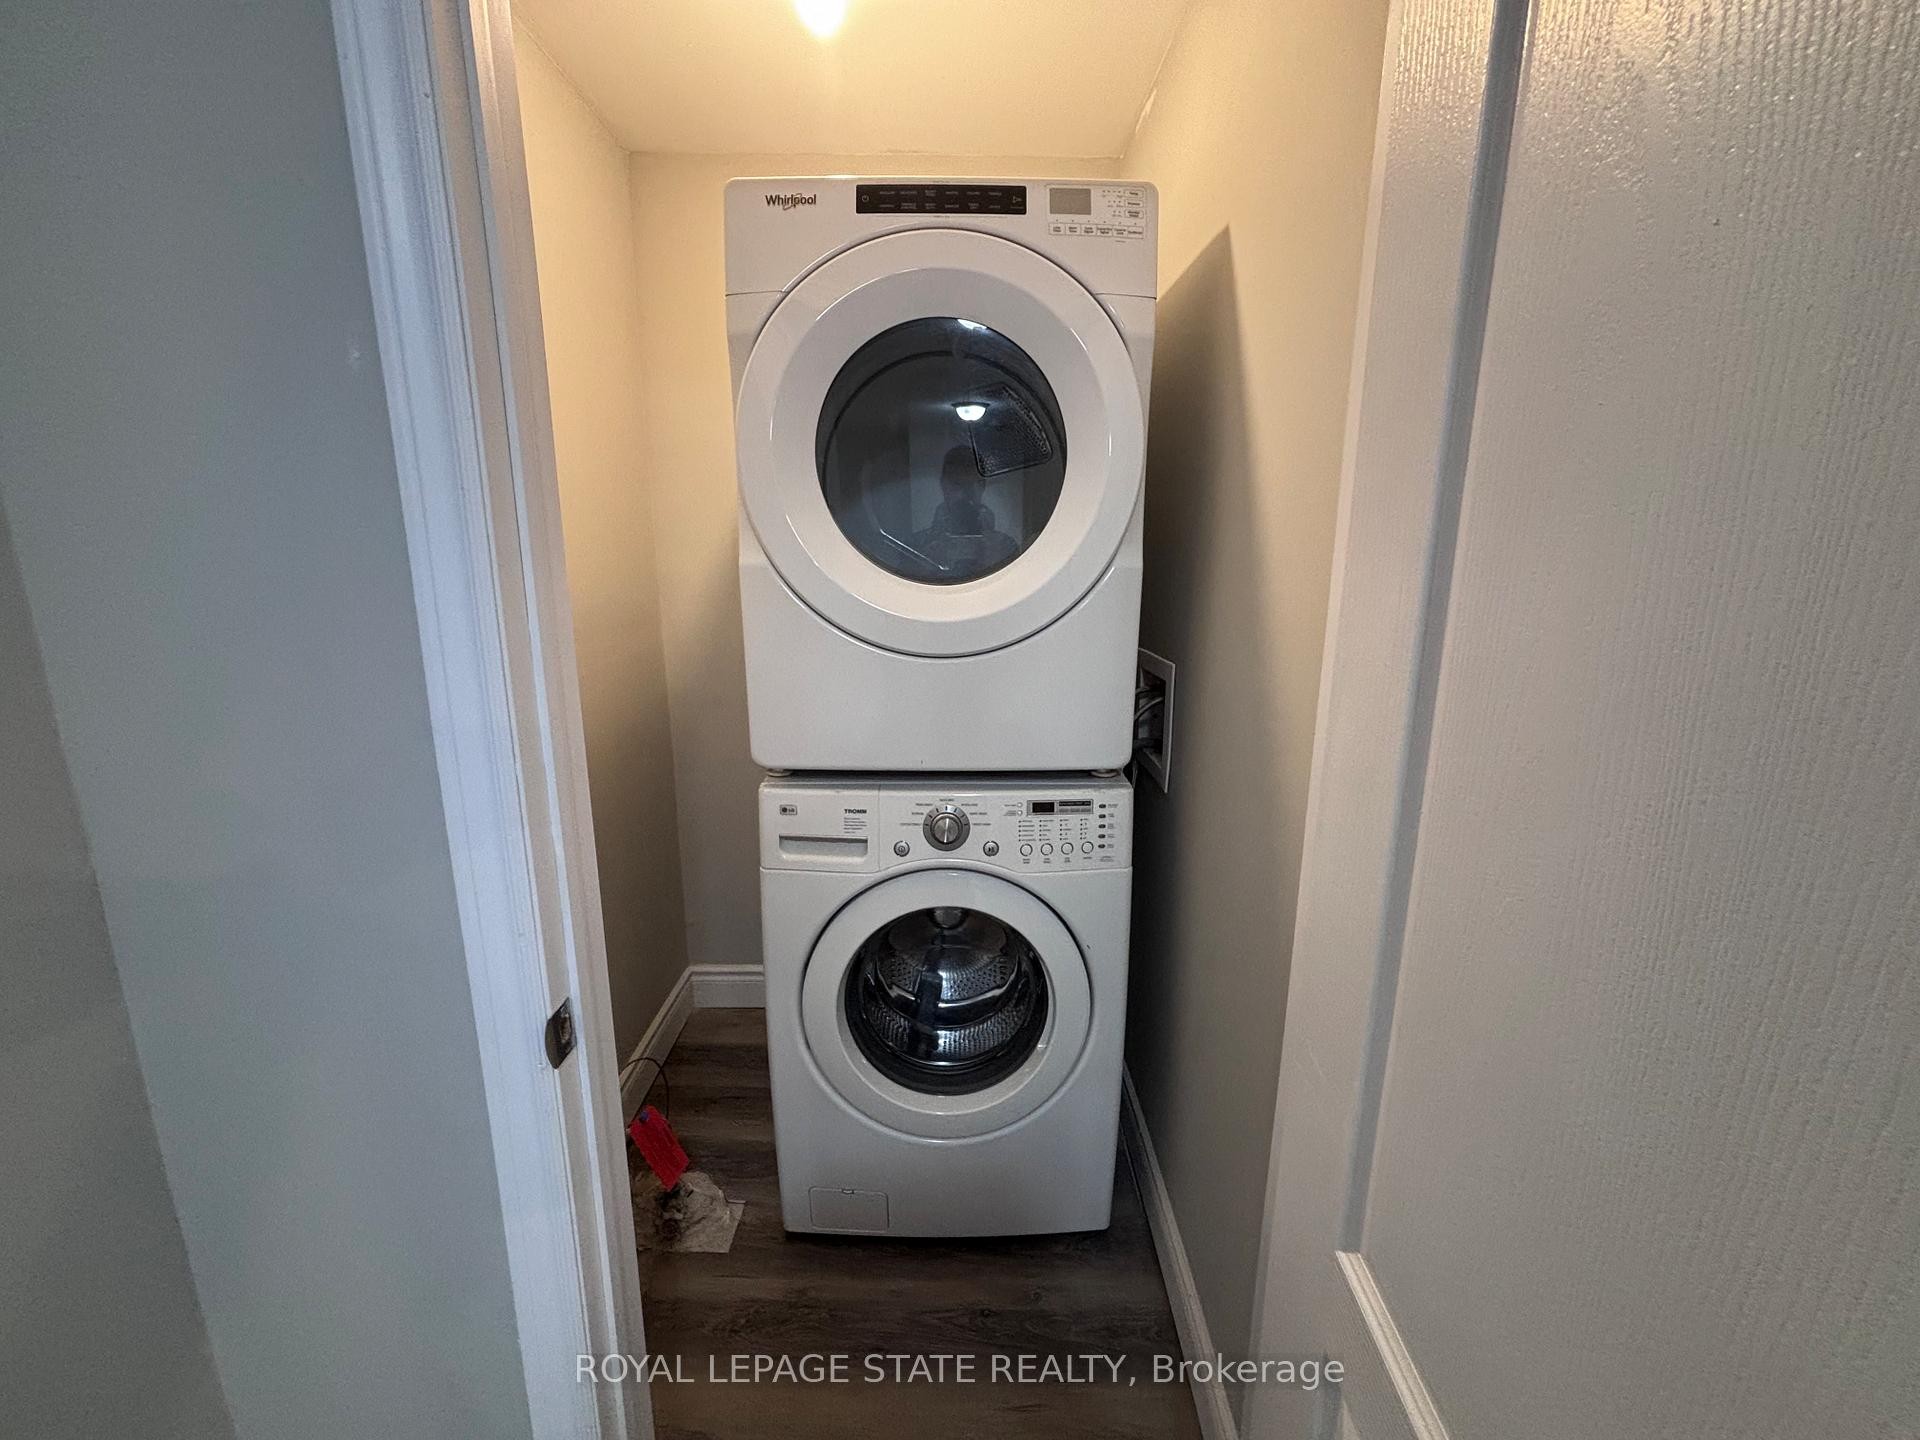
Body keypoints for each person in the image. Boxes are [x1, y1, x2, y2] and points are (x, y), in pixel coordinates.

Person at [911, 445, 1020, 580]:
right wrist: (925, 565)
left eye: (970, 485)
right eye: (957, 484)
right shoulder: (915, 548)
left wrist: (994, 558)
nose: (963, 494)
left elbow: (1014, 588)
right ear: (943, 485)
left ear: (982, 486)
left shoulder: (1004, 546)